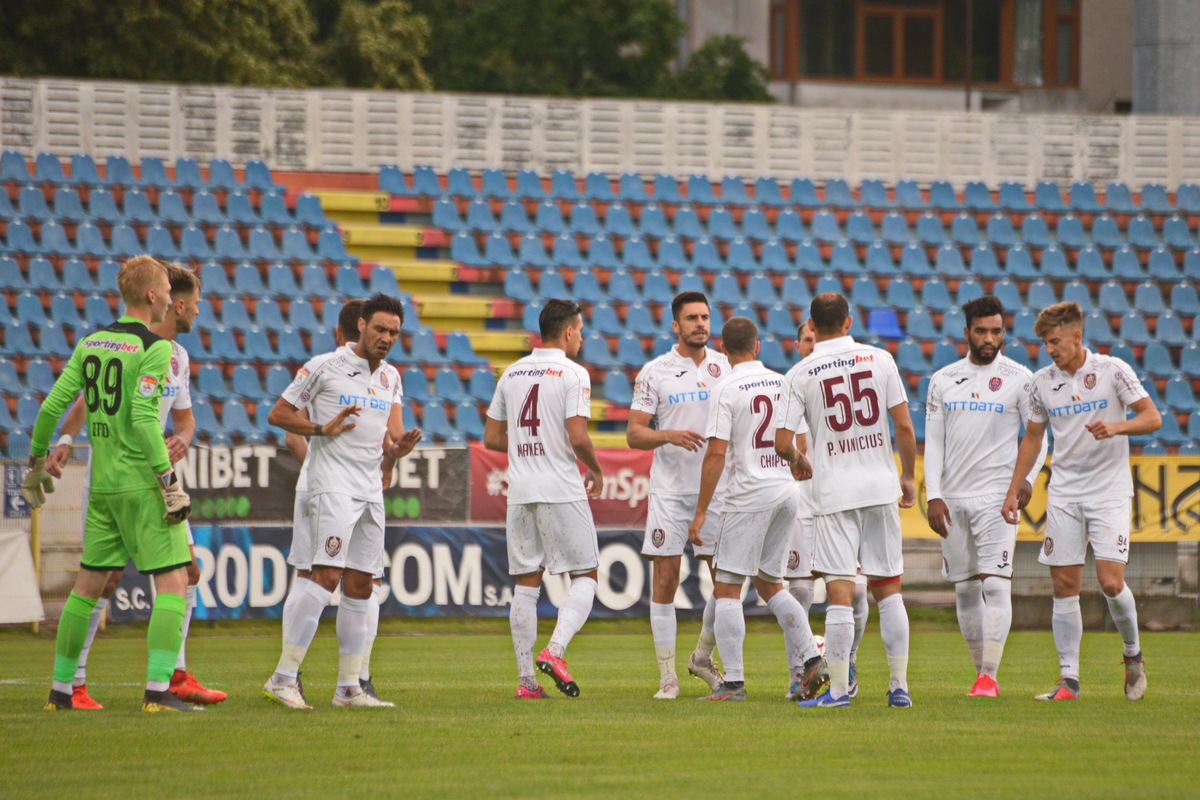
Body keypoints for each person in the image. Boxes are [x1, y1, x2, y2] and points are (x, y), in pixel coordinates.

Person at [43, 262, 224, 709]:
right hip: (134, 478)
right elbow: (88, 399)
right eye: (195, 304)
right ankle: (85, 683)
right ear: (170, 301)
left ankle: (176, 675)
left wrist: (181, 440)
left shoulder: (177, 358)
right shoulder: (134, 347)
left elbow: (184, 419)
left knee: (187, 572)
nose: (199, 313)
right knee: (106, 583)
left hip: (147, 472)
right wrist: (65, 438)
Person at [262, 293, 418, 709]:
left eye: (394, 333)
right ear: (362, 325)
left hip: (370, 490)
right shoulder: (323, 366)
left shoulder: (391, 378)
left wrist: (398, 450)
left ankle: (349, 687)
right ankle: (283, 677)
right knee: (326, 575)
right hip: (330, 483)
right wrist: (319, 429)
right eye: (381, 329)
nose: (387, 338)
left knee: (362, 584)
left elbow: (393, 437)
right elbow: (278, 414)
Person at [1002, 301, 1160, 702]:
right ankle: (1069, 680)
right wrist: (1016, 485)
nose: (1049, 349)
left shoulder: (1113, 370)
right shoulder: (1041, 382)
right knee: (1064, 585)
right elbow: (1034, 437)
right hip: (1066, 493)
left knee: (1110, 581)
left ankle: (1132, 655)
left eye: (1055, 341)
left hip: (1108, 491)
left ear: (1077, 335)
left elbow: (1152, 417)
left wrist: (1116, 426)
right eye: (1044, 343)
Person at [778, 292, 917, 709]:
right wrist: (908, 477)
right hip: (880, 487)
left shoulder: (800, 372)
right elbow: (905, 428)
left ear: (812, 326)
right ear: (849, 321)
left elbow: (782, 442)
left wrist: (801, 461)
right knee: (888, 588)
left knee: (840, 592)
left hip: (834, 490)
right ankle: (898, 687)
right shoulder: (881, 359)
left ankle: (838, 691)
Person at [687, 316, 825, 702]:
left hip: (748, 494)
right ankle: (812, 658)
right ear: (758, 346)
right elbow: (795, 439)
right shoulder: (782, 381)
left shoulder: (725, 388)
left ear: (722, 349)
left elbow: (715, 453)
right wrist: (797, 460)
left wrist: (700, 512)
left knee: (728, 588)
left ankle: (733, 682)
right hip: (786, 492)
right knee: (771, 585)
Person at [925, 295, 1047, 697]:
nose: (990, 338)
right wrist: (934, 494)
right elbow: (934, 444)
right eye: (981, 331)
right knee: (964, 589)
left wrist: (1026, 479)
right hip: (954, 498)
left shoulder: (1020, 378)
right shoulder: (942, 379)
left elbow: (1038, 435)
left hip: (999, 497)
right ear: (967, 333)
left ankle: (989, 677)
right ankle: (981, 672)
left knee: (995, 585)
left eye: (996, 330)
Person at [484, 298, 605, 699]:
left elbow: (492, 438)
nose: (583, 338)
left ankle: (526, 682)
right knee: (586, 574)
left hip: (520, 491)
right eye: (581, 330)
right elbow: (577, 435)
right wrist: (596, 468)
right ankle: (554, 651)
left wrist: (527, 448)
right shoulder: (573, 373)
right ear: (568, 331)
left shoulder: (512, 372)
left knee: (526, 585)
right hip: (560, 488)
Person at [626, 291, 729, 699]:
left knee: (725, 584)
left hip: (718, 491)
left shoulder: (727, 366)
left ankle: (702, 655)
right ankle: (667, 677)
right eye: (691, 318)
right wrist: (669, 434)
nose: (700, 324)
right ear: (676, 325)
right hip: (670, 490)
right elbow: (634, 433)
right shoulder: (655, 372)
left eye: (705, 317)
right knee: (665, 578)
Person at [780, 319, 871, 701]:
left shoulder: (848, 379)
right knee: (799, 590)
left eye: (818, 338)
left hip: (842, 498)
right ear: (797, 344)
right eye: (806, 339)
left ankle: (846, 661)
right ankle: (800, 670)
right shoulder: (790, 383)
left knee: (859, 591)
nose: (813, 344)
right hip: (802, 501)